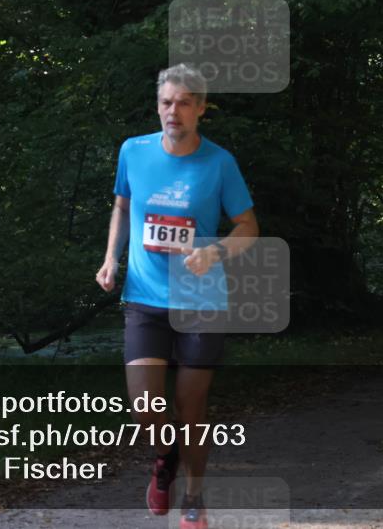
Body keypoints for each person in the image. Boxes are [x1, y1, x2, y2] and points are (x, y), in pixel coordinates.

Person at [96, 64, 259, 529]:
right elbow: (123, 206)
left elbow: (248, 227)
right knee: (145, 405)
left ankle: (194, 497)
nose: (174, 111)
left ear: (202, 109)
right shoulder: (134, 150)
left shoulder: (219, 163)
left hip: (202, 301)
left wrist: (214, 253)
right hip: (145, 297)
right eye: (167, 102)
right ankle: (165, 459)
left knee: (192, 406)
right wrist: (111, 258)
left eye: (185, 102)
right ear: (158, 106)